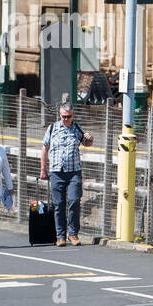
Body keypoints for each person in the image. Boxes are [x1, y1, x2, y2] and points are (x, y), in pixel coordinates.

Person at [39, 102, 93, 246]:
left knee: (74, 201)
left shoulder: (76, 128)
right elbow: (45, 149)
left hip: (74, 171)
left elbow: (87, 144)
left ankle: (73, 233)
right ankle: (60, 236)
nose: (65, 119)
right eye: (63, 116)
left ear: (72, 115)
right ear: (59, 115)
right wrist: (43, 169)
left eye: (68, 117)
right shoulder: (52, 128)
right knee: (59, 204)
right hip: (56, 171)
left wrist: (89, 139)